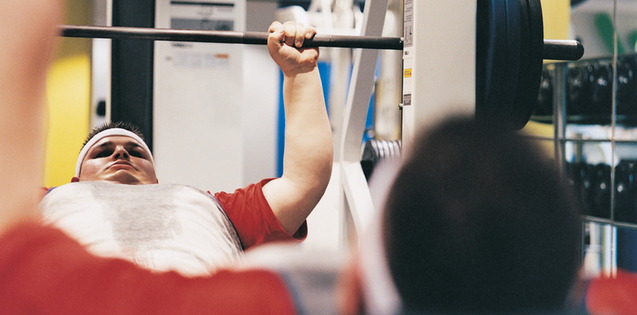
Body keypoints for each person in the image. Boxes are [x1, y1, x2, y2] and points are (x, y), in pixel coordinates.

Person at [38, 5, 333, 276]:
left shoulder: (210, 206)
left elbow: (302, 183)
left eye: (135, 151)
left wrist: (301, 71)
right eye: (103, 151)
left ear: (156, 180)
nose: (121, 154)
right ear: (74, 182)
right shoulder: (40, 204)